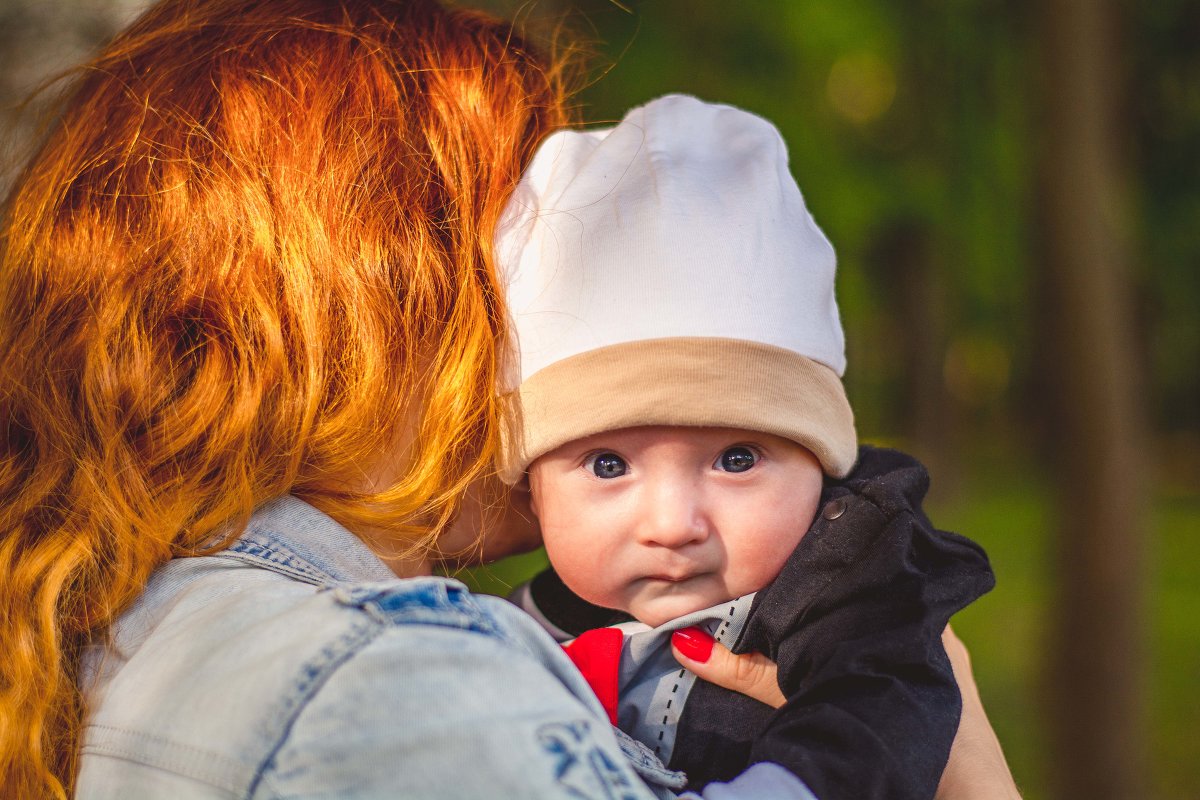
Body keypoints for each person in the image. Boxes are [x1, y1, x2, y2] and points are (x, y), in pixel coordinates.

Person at [0, 1, 1017, 798]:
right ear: (376, 298)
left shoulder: (123, 622)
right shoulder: (390, 687)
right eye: (537, 271)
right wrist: (961, 763)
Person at [498, 94, 998, 798]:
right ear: (531, 486)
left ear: (821, 463)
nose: (672, 526)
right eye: (608, 465)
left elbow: (879, 715)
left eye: (737, 459)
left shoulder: (849, 586)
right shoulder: (523, 625)